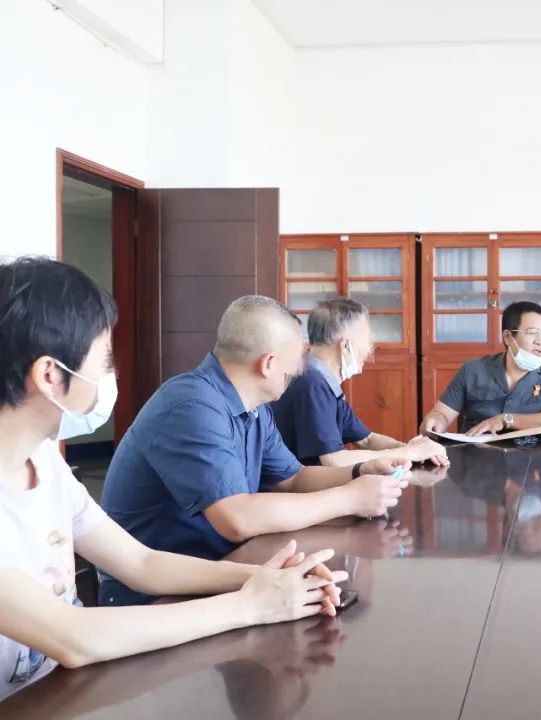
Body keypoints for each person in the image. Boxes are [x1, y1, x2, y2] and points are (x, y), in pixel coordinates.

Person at [0, 258, 345, 701]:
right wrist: (250, 605)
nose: (108, 375)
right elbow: (74, 638)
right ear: (50, 375)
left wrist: (265, 578)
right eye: (103, 359)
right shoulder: (190, 402)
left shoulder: (44, 462)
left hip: (60, 695)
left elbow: (141, 563)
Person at [101, 295, 409, 606]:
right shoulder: (192, 404)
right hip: (156, 595)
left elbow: (295, 479)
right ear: (268, 363)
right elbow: (237, 519)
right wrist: (350, 498)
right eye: (297, 358)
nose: (301, 367)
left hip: (225, 568)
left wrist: (358, 473)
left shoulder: (255, 409)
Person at [272, 298, 448, 468]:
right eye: (367, 340)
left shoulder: (321, 379)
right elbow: (334, 461)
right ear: (345, 346)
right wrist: (408, 453)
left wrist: (413, 449)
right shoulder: (311, 383)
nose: (370, 349)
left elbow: (366, 439)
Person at [420, 301, 541, 436]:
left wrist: (506, 419)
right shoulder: (473, 371)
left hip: (532, 454)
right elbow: (443, 414)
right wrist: (435, 421)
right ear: (508, 337)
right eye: (532, 333)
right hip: (476, 452)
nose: (540, 341)